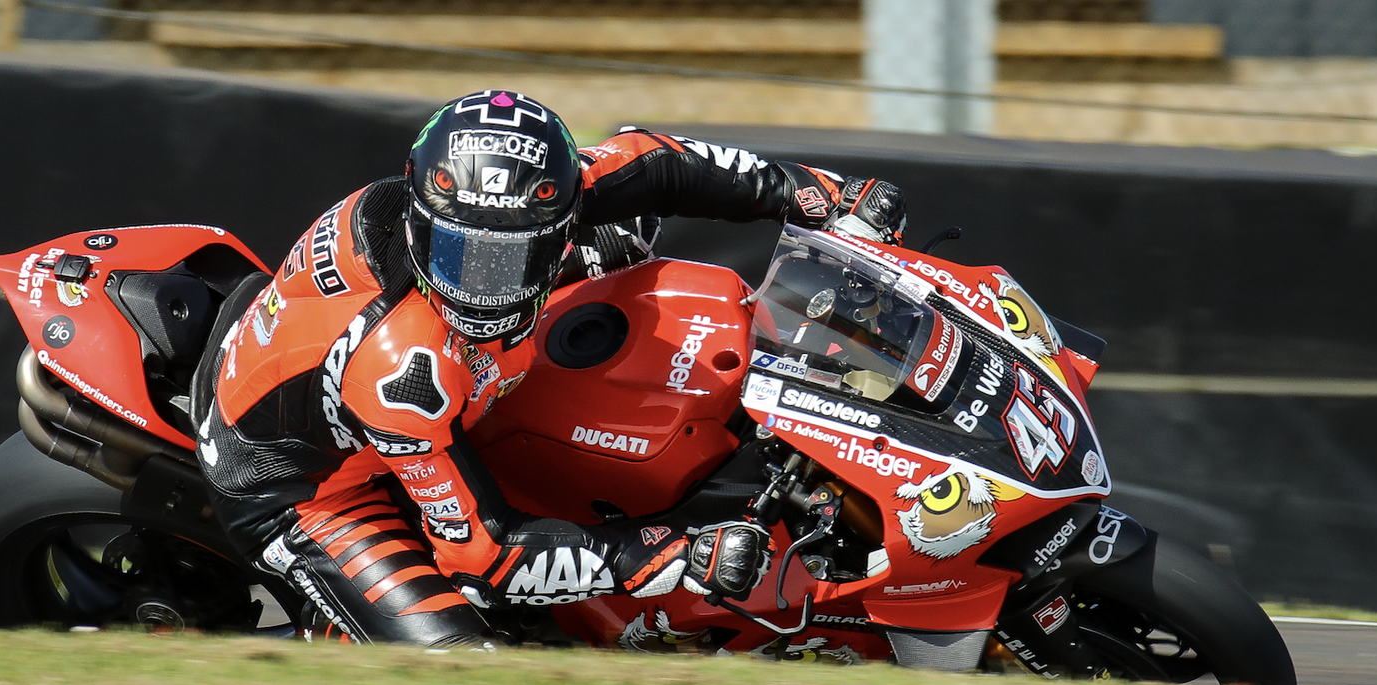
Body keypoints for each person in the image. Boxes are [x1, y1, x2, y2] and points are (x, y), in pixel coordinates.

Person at [191, 90, 907, 648]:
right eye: (461, 256)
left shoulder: (517, 195)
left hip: (382, 368)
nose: (486, 289)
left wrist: (820, 194)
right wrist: (671, 553)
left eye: (513, 259)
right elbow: (484, 555)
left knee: (631, 236)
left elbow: (659, 160)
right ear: (421, 219)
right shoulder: (402, 366)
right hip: (303, 487)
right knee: (462, 672)